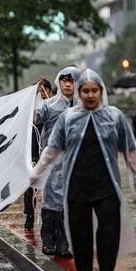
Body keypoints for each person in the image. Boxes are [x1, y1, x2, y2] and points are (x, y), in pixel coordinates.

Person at [30, 69, 136, 271]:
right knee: (80, 233)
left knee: (108, 231)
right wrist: (37, 173)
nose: (90, 95)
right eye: (86, 91)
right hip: (77, 186)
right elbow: (52, 149)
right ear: (81, 93)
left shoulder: (114, 117)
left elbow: (130, 151)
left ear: (101, 92)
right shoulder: (68, 118)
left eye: (94, 91)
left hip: (107, 186)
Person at [35, 65, 80, 257]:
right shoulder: (50, 105)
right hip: (54, 161)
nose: (67, 84)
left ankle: (64, 244)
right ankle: (48, 241)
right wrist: (35, 96)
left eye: (71, 80)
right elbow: (35, 117)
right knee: (51, 201)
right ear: (58, 82)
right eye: (64, 80)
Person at [24, 79, 53, 231]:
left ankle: (50, 220)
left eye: (45, 90)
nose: (42, 94)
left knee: (51, 189)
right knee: (30, 188)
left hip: (49, 156)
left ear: (50, 92)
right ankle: (29, 215)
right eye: (40, 91)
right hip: (33, 155)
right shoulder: (30, 112)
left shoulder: (54, 110)